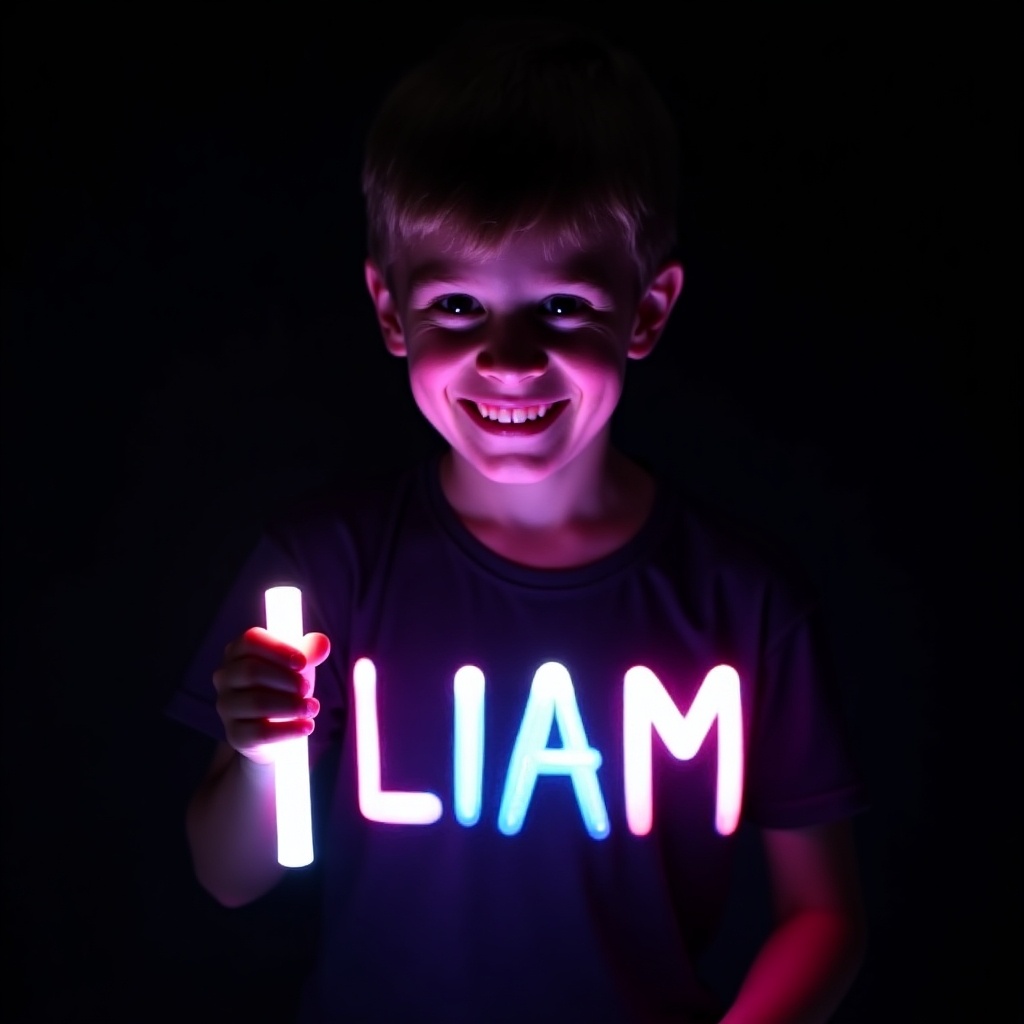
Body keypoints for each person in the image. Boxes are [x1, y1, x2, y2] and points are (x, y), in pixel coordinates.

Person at [165, 16, 869, 1022]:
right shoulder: (322, 568)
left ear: (647, 311)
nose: (507, 357)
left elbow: (823, 911)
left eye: (561, 306)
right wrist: (255, 748)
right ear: (389, 309)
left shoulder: (745, 600)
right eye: (457, 306)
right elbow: (232, 874)